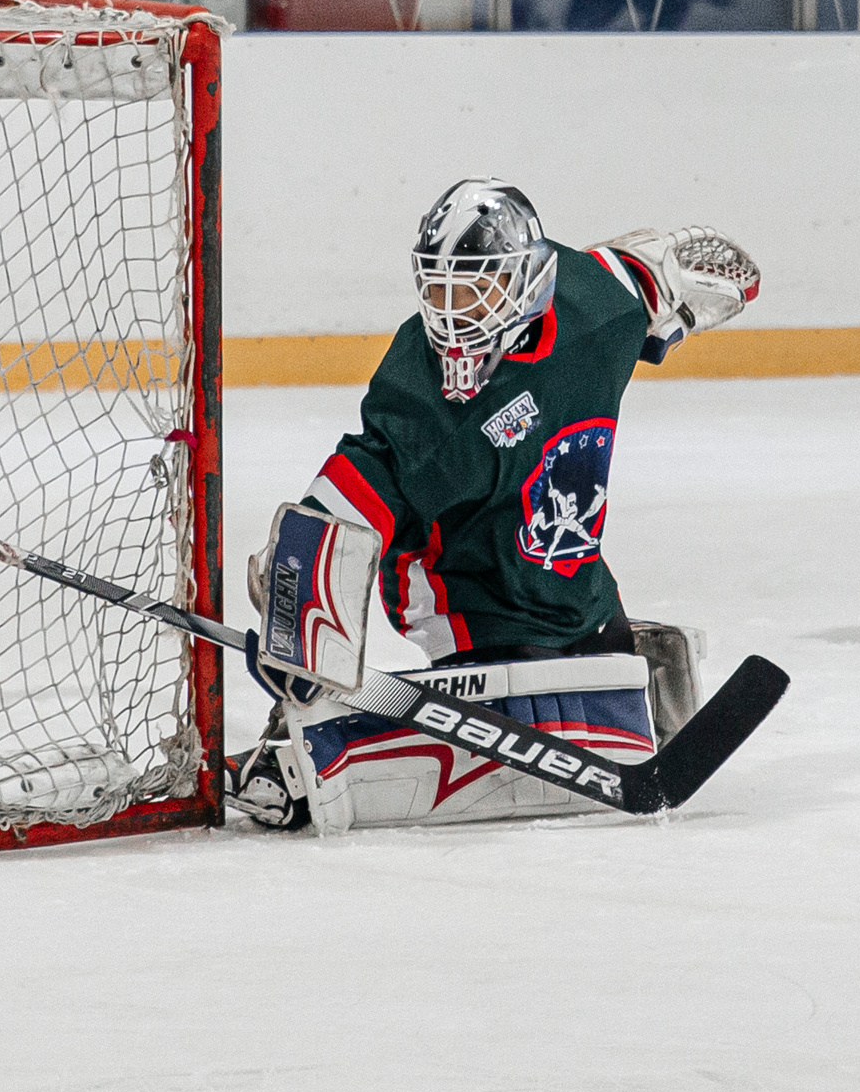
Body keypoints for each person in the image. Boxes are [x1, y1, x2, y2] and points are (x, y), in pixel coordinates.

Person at [226, 178, 759, 833]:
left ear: (530, 280)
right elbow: (356, 489)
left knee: (624, 692)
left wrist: (704, 280)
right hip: (464, 595)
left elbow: (650, 273)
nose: (451, 313)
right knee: (544, 727)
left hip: (572, 579)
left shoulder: (596, 307)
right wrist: (300, 585)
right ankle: (295, 757)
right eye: (438, 288)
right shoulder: (427, 390)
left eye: (473, 287)